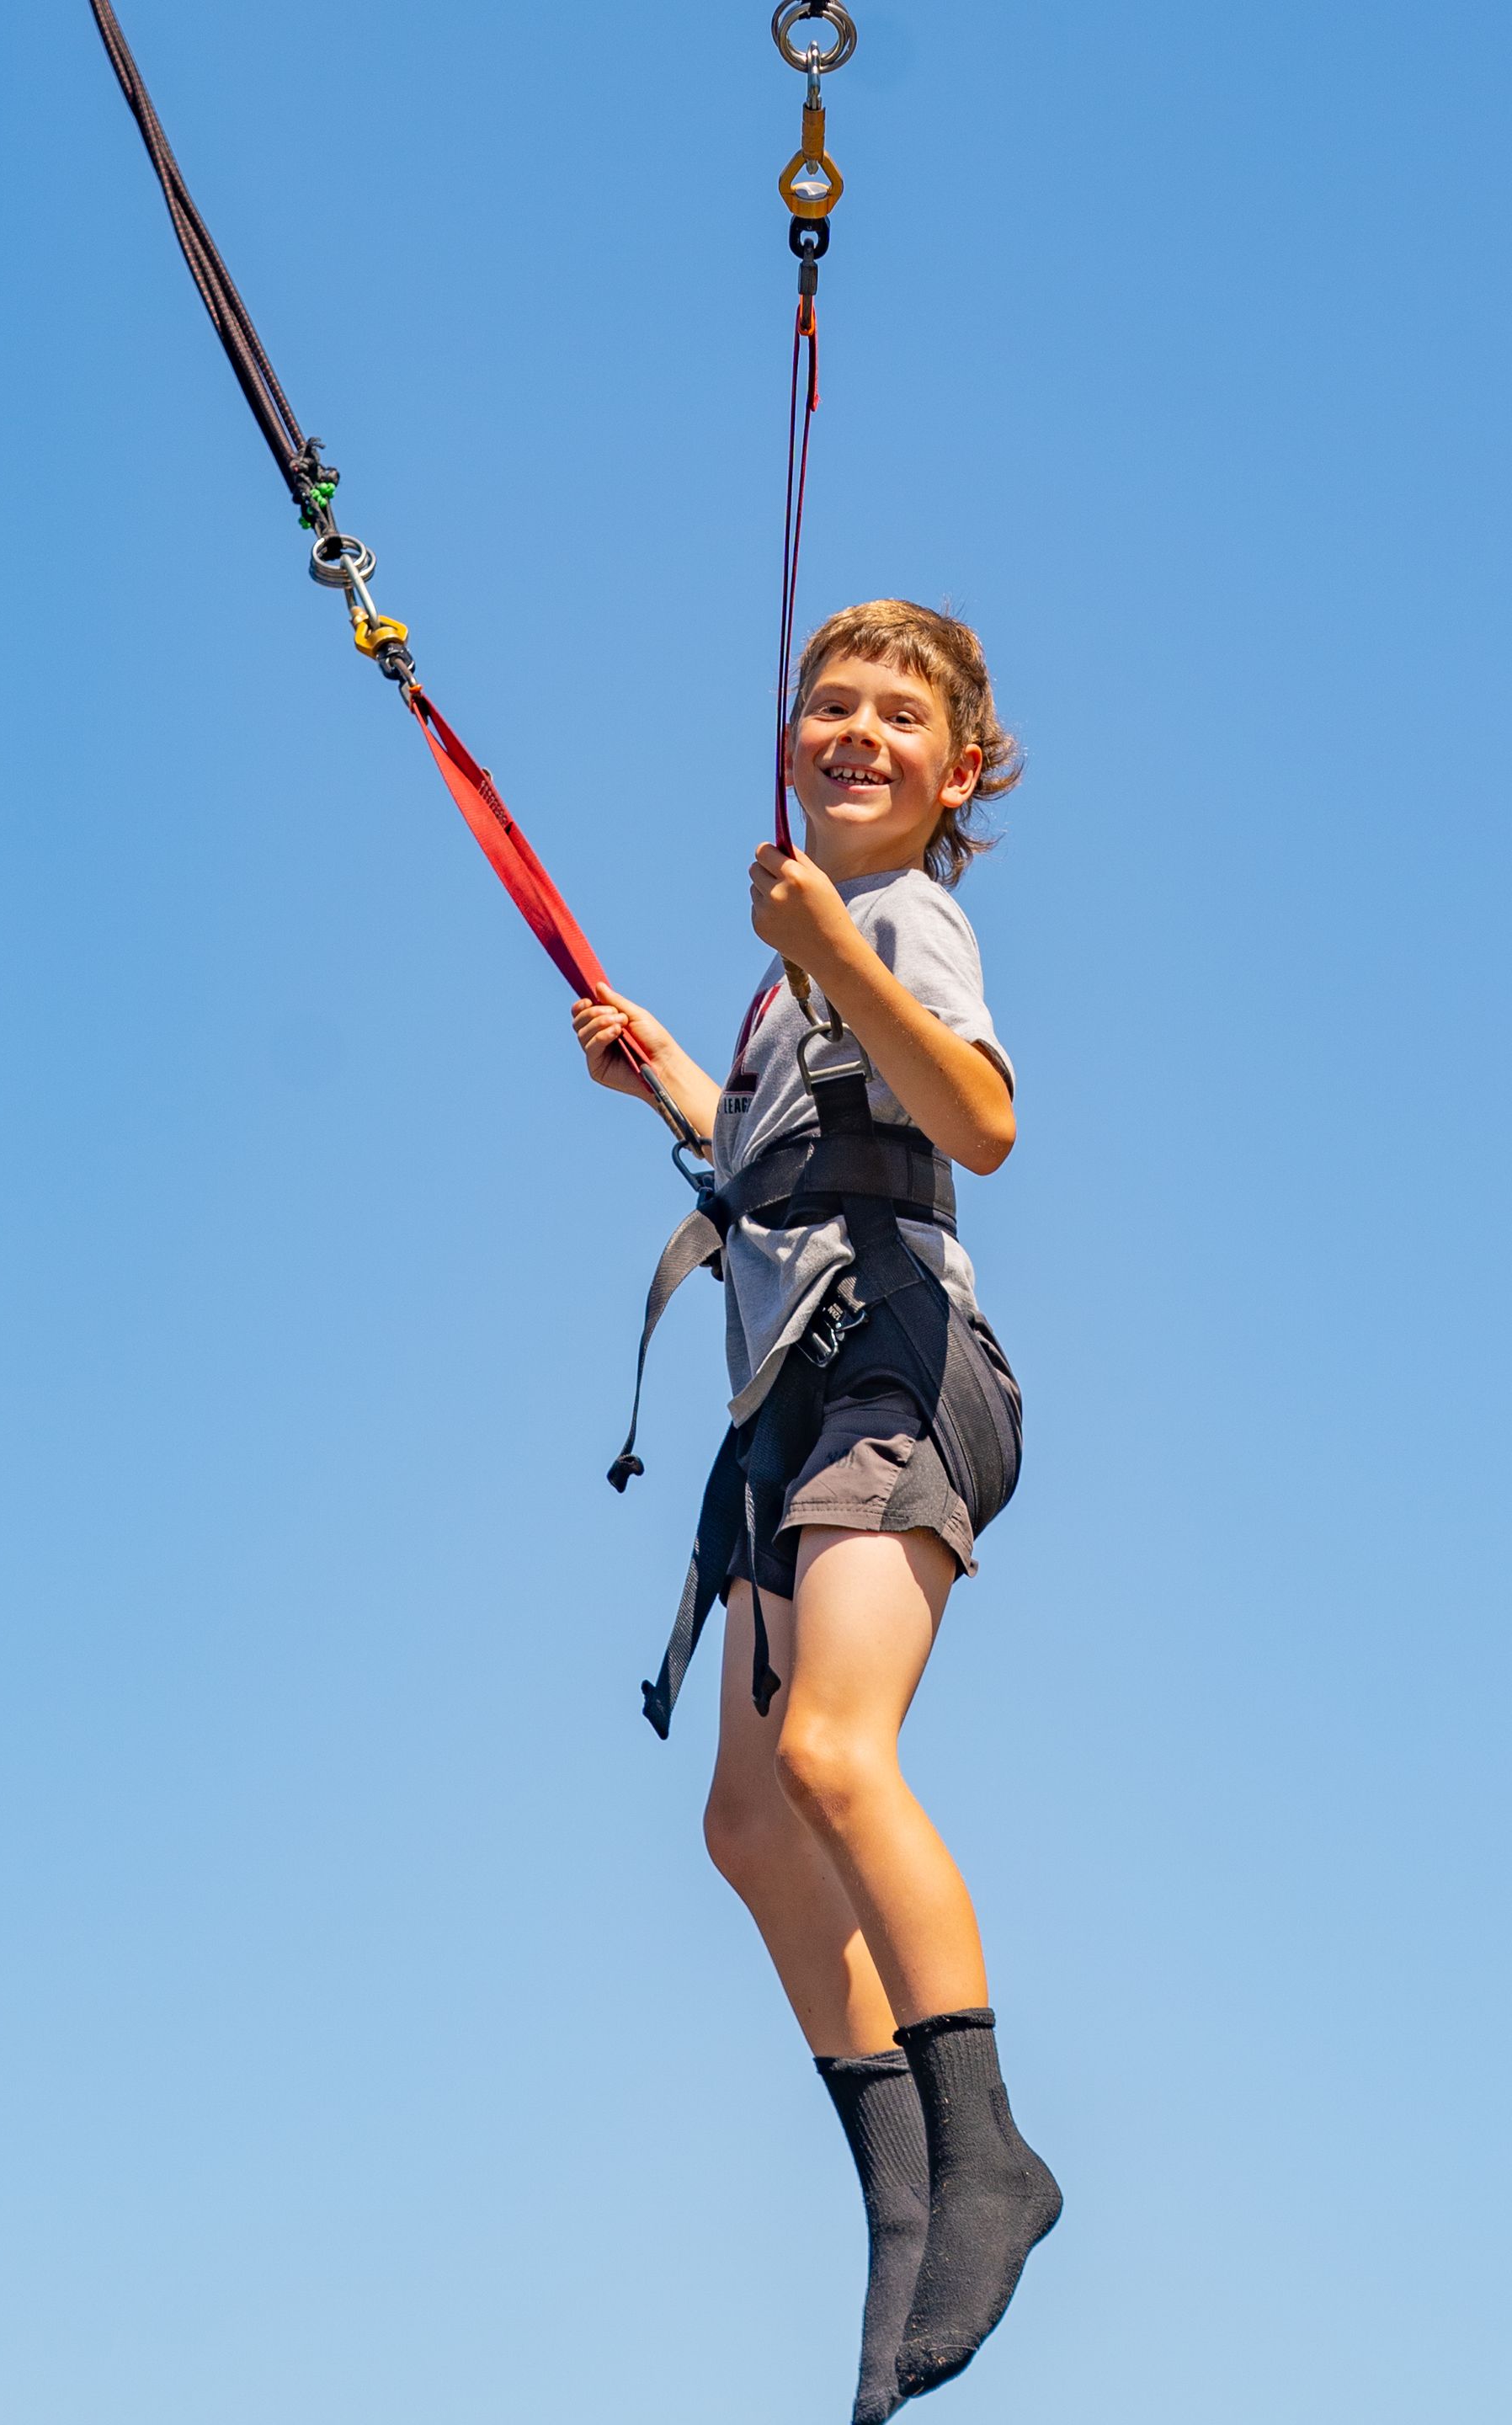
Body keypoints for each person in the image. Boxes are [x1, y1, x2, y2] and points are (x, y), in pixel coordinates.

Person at [572, 600, 1060, 2421]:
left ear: (954, 777)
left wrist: (832, 951)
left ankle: (988, 2151)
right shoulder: (798, 979)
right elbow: (786, 1166)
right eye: (827, 701)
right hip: (794, 1406)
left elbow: (981, 1119)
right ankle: (904, 2192)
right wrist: (679, 1084)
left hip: (896, 1367)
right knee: (747, 1822)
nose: (853, 726)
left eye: (896, 713)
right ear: (790, 745)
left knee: (838, 1758)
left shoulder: (903, 922)